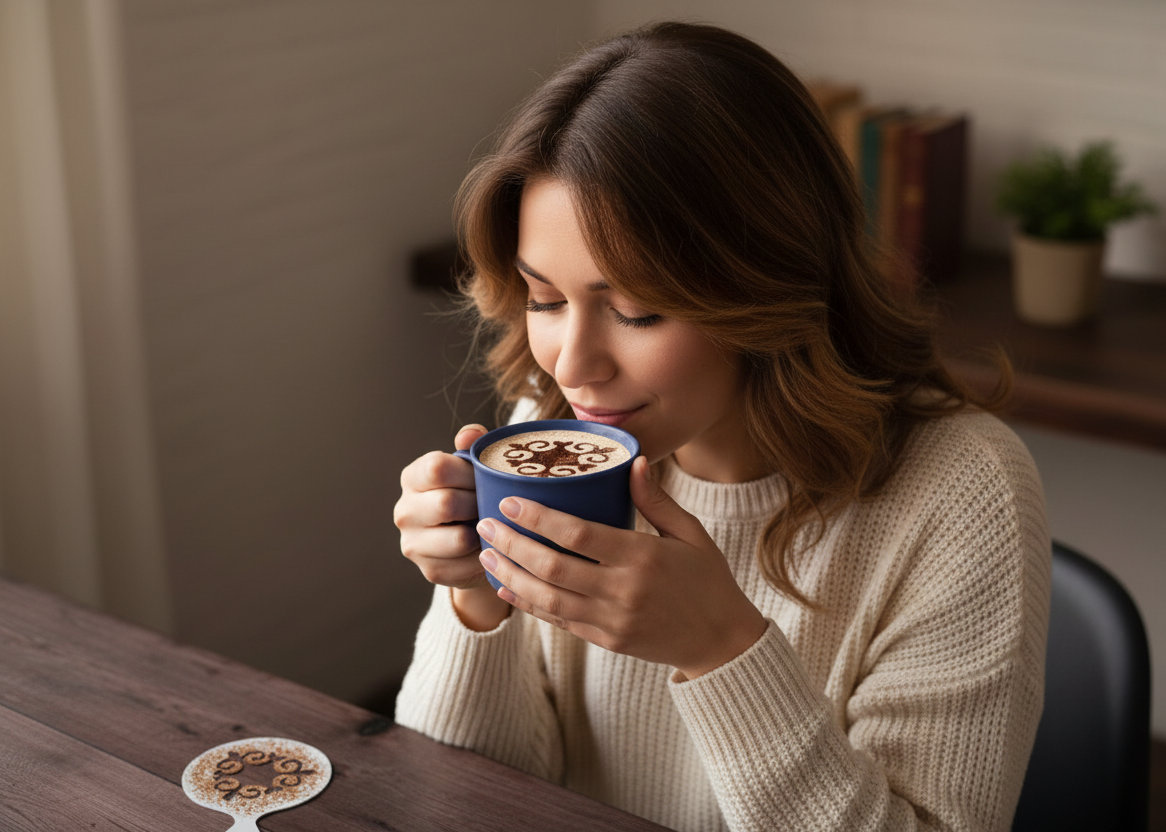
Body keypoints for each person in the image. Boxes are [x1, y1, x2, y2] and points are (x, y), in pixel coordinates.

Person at [393, 21, 1049, 832]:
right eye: (545, 299)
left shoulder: (960, 493)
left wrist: (722, 651)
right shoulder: (558, 430)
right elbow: (456, 801)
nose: (573, 365)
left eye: (636, 309)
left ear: (766, 287)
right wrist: (475, 603)